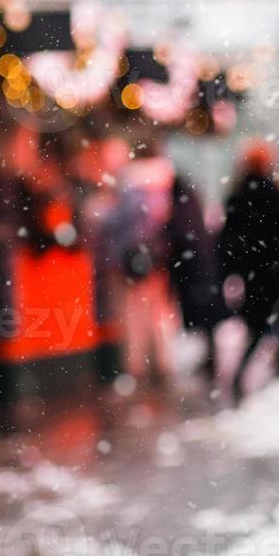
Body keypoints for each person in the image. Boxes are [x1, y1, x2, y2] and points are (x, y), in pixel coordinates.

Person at [218, 140, 279, 400]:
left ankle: (239, 379)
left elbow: (227, 243)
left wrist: (234, 272)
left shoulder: (236, 198)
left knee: (255, 331)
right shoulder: (278, 196)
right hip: (278, 275)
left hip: (254, 278)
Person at [101, 143, 179, 387]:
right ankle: (162, 361)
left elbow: (120, 222)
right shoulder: (165, 186)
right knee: (157, 313)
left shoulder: (131, 187)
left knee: (133, 314)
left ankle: (135, 366)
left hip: (132, 260)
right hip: (157, 258)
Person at [167, 172, 224, 383]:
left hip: (195, 274)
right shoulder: (192, 204)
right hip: (203, 272)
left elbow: (182, 236)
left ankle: (212, 359)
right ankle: (211, 358)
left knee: (205, 318)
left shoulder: (181, 208)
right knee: (207, 319)